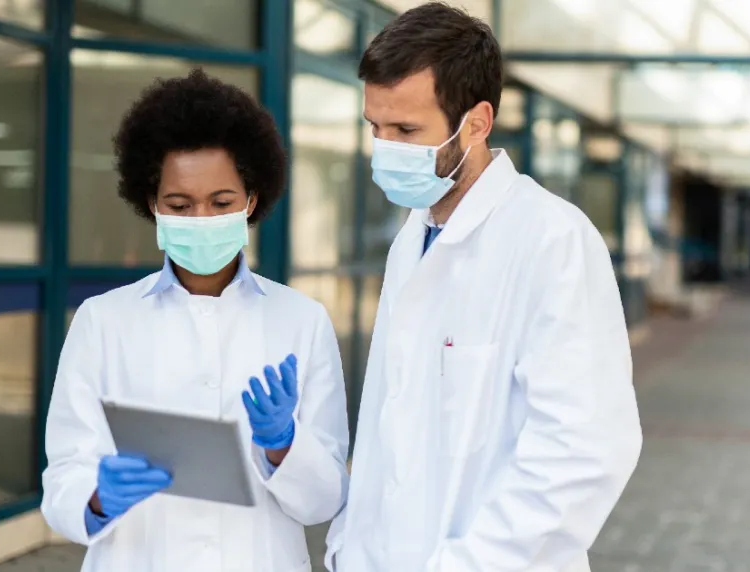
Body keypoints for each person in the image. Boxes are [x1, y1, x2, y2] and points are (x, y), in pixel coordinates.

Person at [325, 4, 643, 571]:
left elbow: (583, 450)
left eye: (406, 131)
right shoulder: (413, 239)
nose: (385, 147)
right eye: (375, 128)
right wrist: (348, 548)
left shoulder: (552, 239)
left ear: (477, 122)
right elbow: (385, 426)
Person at [41, 69, 349, 572]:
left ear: (250, 200)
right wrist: (97, 497)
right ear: (153, 205)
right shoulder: (102, 322)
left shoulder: (303, 320)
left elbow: (325, 500)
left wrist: (284, 446)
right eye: (179, 204)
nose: (201, 218)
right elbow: (63, 480)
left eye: (221, 202)